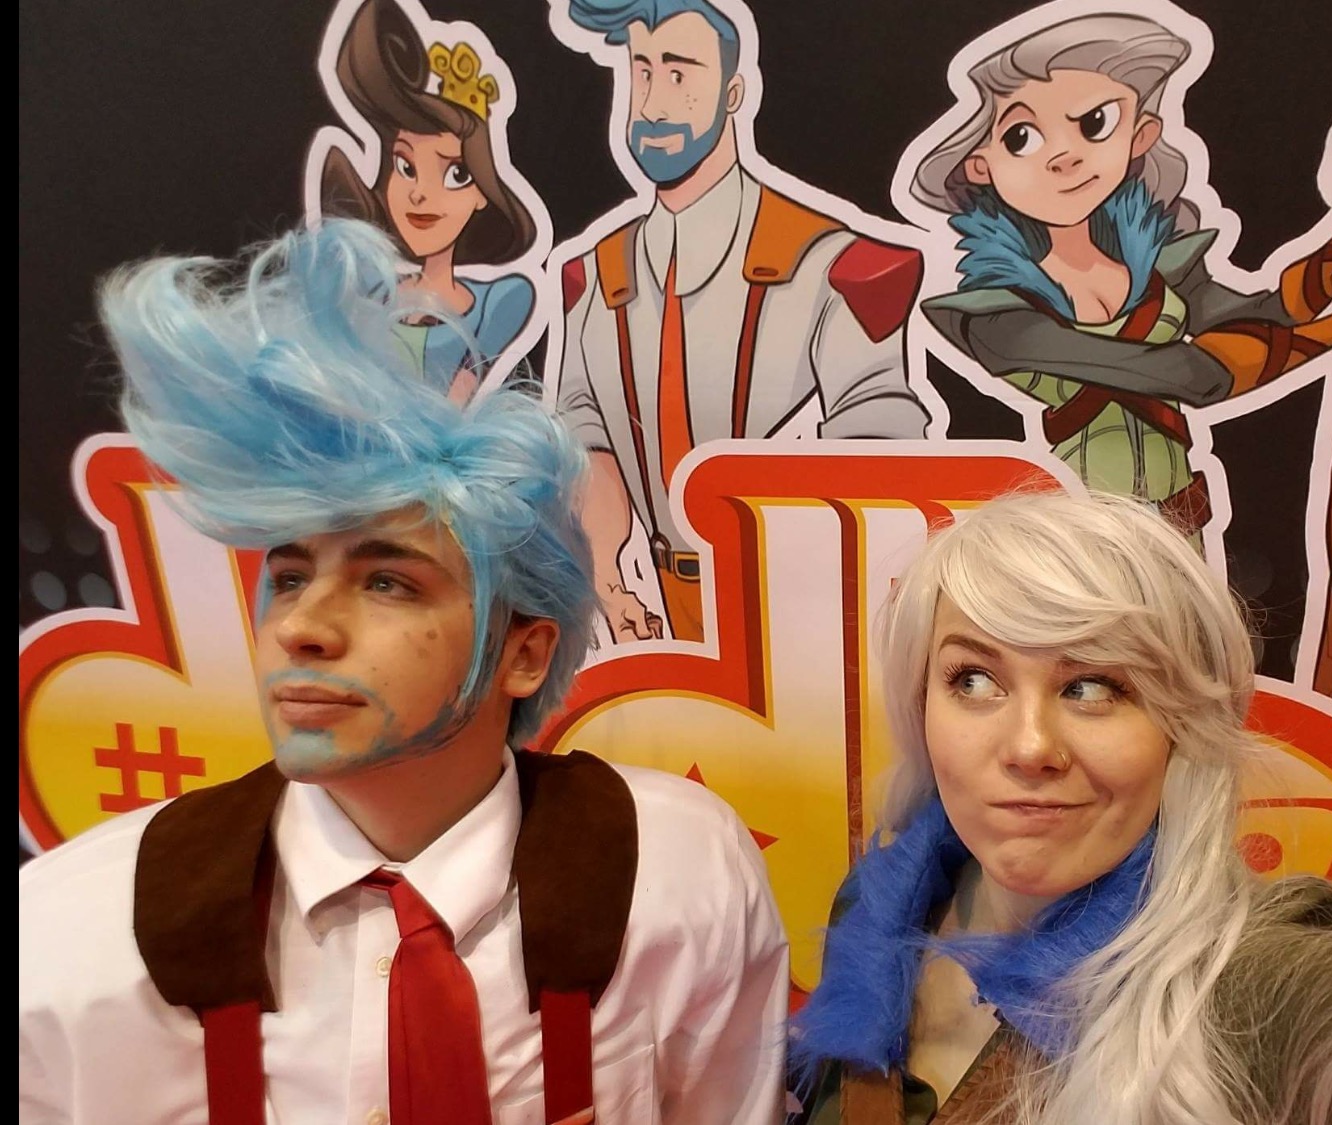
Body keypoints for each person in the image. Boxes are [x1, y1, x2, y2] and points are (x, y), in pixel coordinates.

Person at [18, 219, 788, 1124]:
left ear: (524, 653)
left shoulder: (681, 876)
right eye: (289, 577)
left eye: (388, 582)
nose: (300, 627)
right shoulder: (68, 941)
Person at [789, 490, 1332, 1123]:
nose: (1029, 746)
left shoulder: (1246, 981)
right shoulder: (877, 905)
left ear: (1182, 727)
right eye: (975, 680)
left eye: (1092, 686)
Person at [912, 13, 1332, 539]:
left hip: (1180, 525)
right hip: (1085, 539)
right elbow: (1189, 376)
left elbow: (1261, 313)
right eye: (1022, 136)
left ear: (1140, 135)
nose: (1064, 156)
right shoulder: (996, 316)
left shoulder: (1157, 264)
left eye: (1094, 124)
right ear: (981, 164)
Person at [554, 0, 931, 643]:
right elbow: (587, 439)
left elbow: (879, 445)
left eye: (679, 73)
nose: (653, 106)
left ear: (733, 94)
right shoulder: (594, 277)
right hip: (655, 613)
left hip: (798, 615)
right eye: (642, 72)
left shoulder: (831, 264)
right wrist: (610, 584)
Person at [319, 0, 539, 401]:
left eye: (455, 174)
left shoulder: (496, 303)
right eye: (405, 167)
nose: (420, 193)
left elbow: (458, 404)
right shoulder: (370, 284)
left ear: (481, 193)